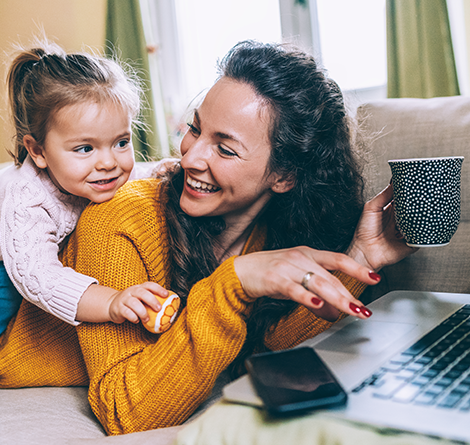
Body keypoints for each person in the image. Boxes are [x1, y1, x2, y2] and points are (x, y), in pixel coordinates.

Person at [0, 41, 414, 435]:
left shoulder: (268, 231)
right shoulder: (116, 216)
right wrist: (233, 284)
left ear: (284, 176)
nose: (191, 156)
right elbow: (125, 411)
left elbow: (271, 351)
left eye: (226, 149)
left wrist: (361, 258)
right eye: (195, 129)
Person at [0, 41, 176, 336]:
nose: (108, 162)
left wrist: (165, 171)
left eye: (121, 142)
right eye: (85, 149)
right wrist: (111, 301)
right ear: (38, 151)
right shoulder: (27, 199)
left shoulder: (102, 173)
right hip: (8, 266)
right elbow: (38, 277)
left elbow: (138, 173)